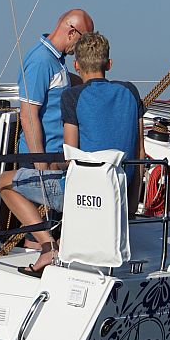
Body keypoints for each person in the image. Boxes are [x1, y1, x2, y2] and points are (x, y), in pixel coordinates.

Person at [0, 7, 93, 273]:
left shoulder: (56, 60)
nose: (82, 47)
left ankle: (43, 253)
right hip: (43, 157)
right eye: (83, 40)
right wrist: (40, 163)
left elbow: (63, 82)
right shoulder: (40, 61)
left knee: (40, 224)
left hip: (55, 157)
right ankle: (48, 249)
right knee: (6, 186)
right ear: (71, 30)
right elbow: (28, 115)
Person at [62, 31, 146, 211]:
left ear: (76, 65)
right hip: (120, 190)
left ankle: (47, 239)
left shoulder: (71, 96)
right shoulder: (131, 91)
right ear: (109, 64)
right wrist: (131, 209)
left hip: (87, 195)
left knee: (7, 182)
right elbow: (140, 151)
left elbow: (71, 156)